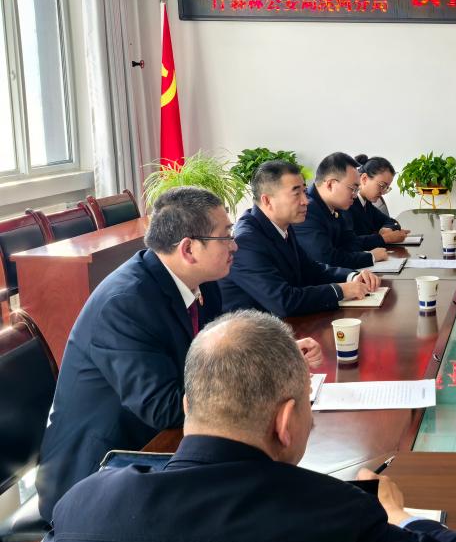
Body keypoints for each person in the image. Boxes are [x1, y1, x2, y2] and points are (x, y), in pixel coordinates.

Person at [44, 311, 456, 542]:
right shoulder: (336, 522)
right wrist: (399, 517)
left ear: (188, 406)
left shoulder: (82, 505)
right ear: (285, 421)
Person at [35, 186, 323, 522]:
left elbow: (221, 356)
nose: (235, 245)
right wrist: (263, 374)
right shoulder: (125, 304)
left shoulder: (204, 281)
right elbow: (162, 407)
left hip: (167, 447)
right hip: (103, 470)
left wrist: (277, 356)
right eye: (225, 236)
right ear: (188, 248)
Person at [219, 160, 380, 317]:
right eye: (296, 194)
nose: (306, 201)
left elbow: (311, 269)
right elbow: (284, 301)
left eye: (304, 191)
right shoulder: (245, 242)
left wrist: (352, 276)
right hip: (250, 332)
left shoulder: (282, 226)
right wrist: (341, 290)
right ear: (267, 200)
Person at [294, 152, 387, 269]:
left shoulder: (336, 206)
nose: (355, 195)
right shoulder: (307, 210)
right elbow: (326, 259)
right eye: (353, 189)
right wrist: (370, 257)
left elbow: (351, 243)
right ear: (330, 185)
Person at [345, 155, 409, 247]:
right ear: (364, 179)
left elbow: (390, 221)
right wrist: (385, 238)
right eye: (382, 186)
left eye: (386, 188)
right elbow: (349, 243)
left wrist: (387, 229)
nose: (383, 192)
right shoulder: (347, 205)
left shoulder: (366, 204)